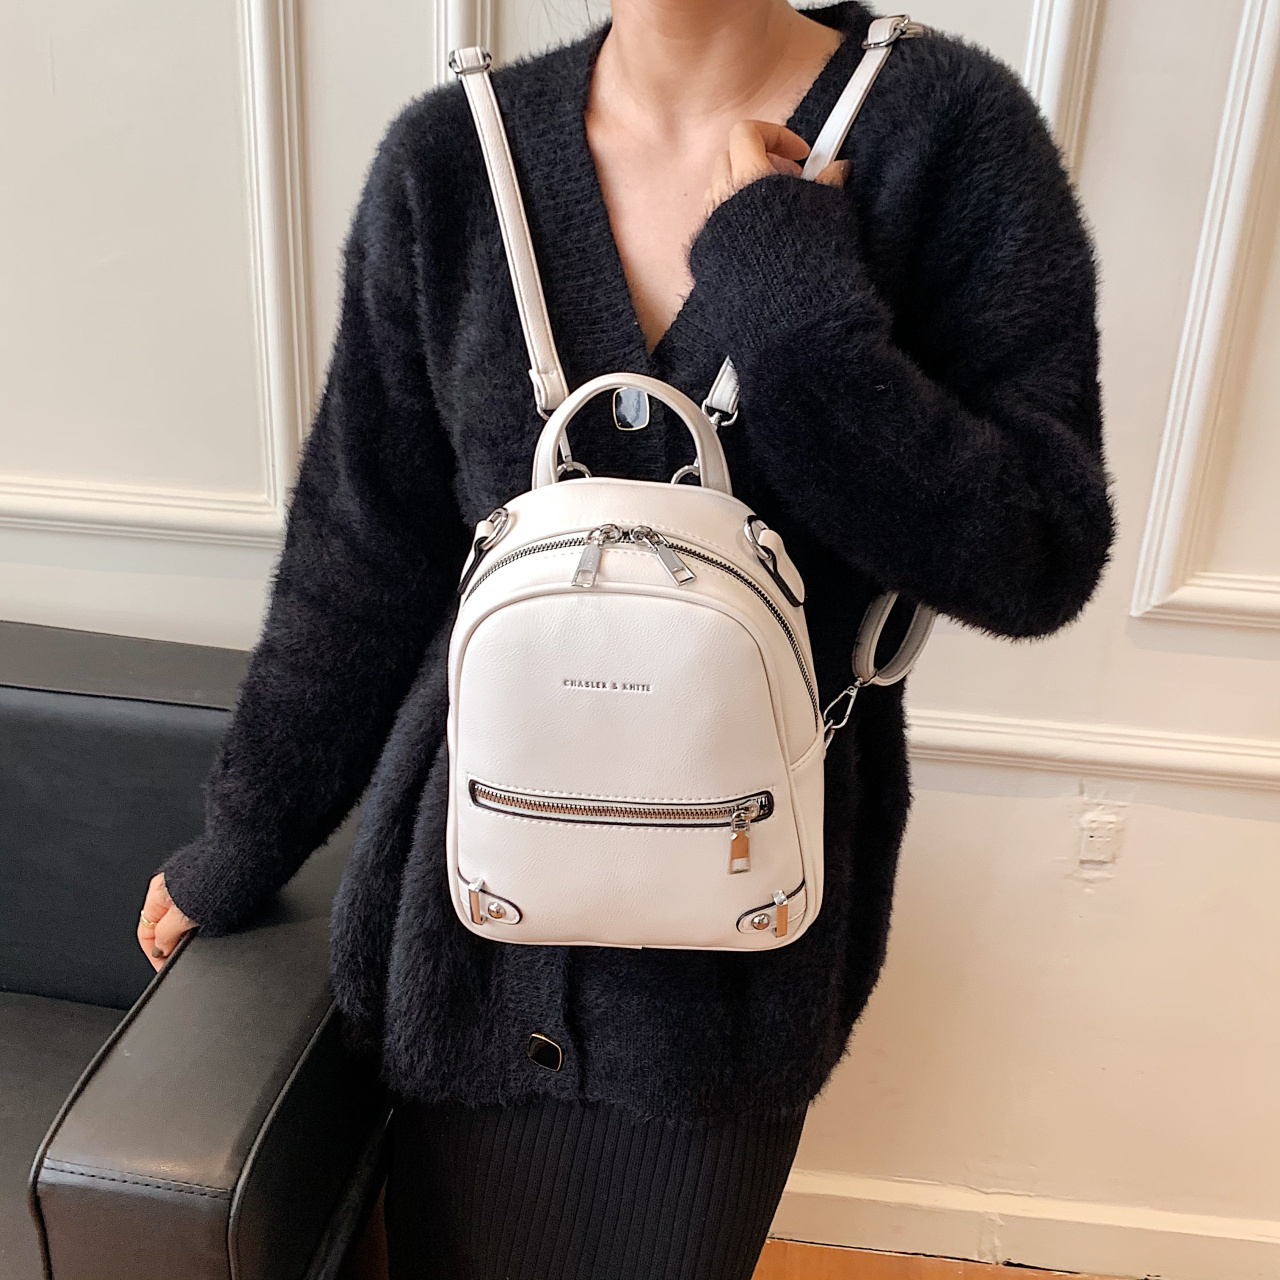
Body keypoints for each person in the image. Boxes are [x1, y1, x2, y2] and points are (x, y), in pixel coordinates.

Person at [136, 2, 1114, 1276]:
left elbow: (1033, 554)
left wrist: (789, 298)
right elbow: (359, 556)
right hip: (463, 936)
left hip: (726, 991)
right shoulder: (454, 156)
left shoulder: (941, 134)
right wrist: (242, 839)